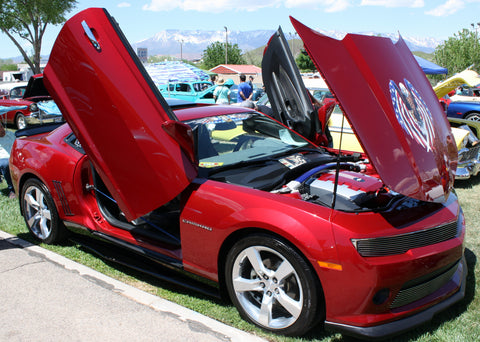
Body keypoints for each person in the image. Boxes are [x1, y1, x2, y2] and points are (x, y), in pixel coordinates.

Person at [0, 123, 15, 199]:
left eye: (1, 127)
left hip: (14, 155)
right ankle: (12, 190)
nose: (1, 130)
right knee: (5, 164)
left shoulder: (10, 134)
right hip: (3, 159)